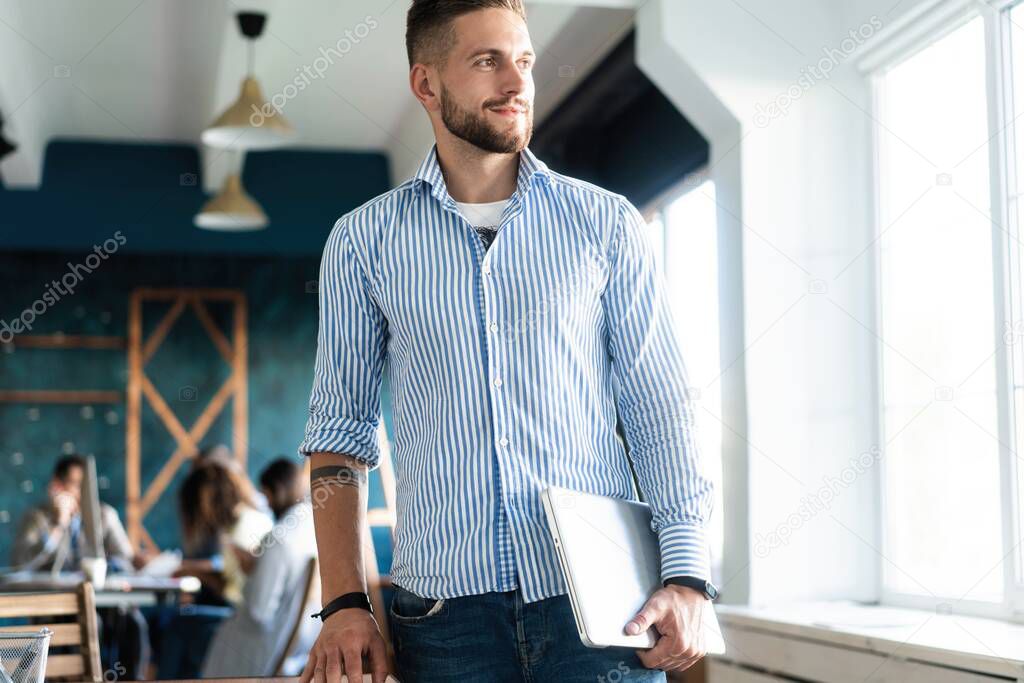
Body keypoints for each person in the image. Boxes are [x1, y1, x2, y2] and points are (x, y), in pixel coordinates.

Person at [297, 1, 716, 681]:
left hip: (602, 610)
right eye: (486, 61)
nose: (517, 81)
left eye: (522, 60)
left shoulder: (606, 225)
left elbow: (658, 405)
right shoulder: (362, 242)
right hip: (442, 623)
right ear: (426, 85)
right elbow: (339, 435)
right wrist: (344, 600)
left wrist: (689, 573)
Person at [200, 458, 319, 677]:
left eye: (266, 494)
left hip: (268, 650)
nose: (266, 502)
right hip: (305, 642)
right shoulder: (311, 526)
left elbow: (258, 612)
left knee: (207, 633)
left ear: (276, 491)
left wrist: (250, 573)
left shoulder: (279, 541)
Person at [11, 454, 139, 571]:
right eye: (77, 485)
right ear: (57, 485)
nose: (83, 493)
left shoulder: (105, 515)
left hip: (98, 593)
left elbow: (126, 559)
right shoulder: (36, 517)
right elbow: (20, 562)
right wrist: (58, 525)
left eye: (86, 486)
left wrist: (102, 568)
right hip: (52, 594)